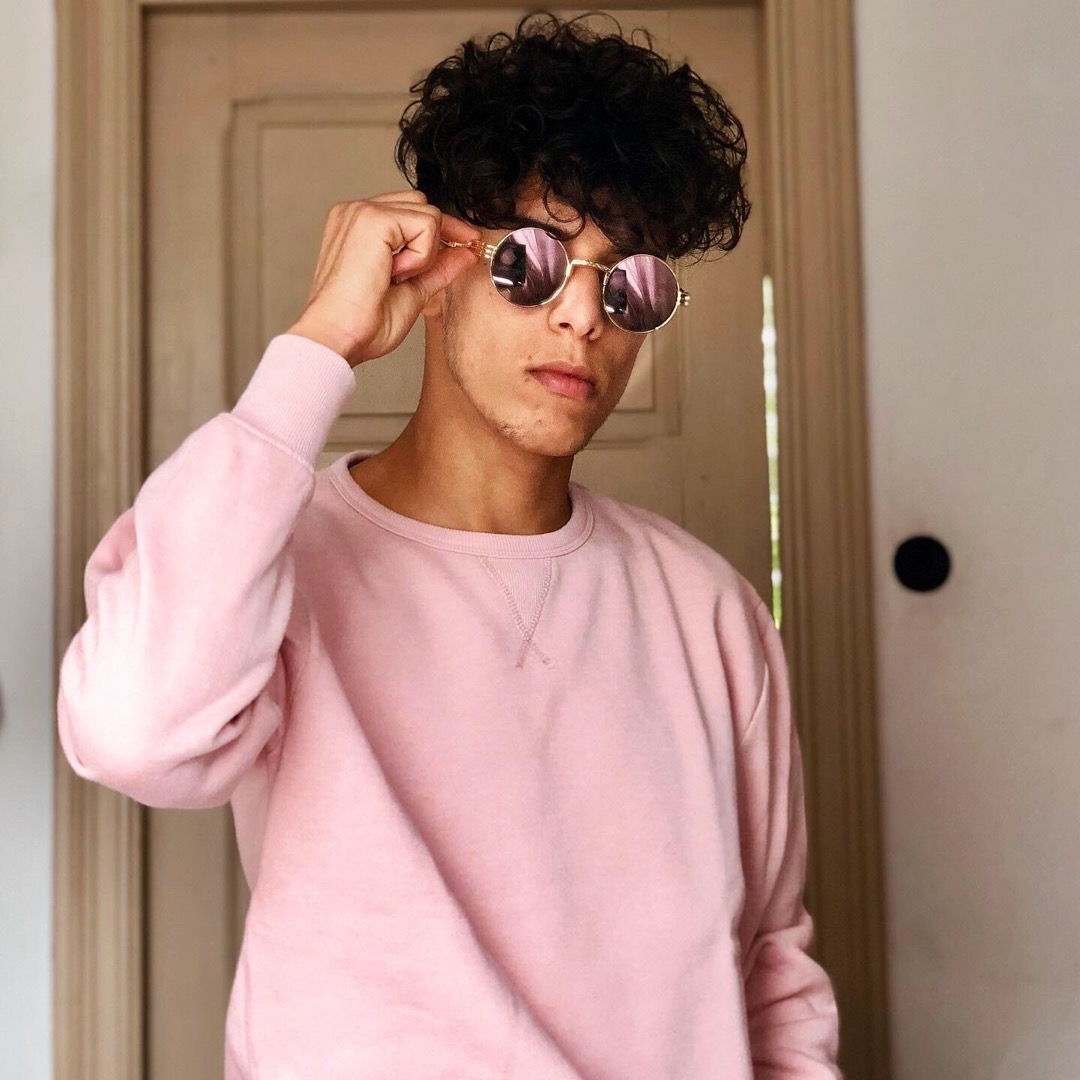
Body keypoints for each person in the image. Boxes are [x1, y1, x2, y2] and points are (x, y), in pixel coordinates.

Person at [57, 12, 841, 1079]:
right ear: (433, 271)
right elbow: (133, 734)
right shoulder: (277, 563)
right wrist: (320, 344)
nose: (584, 319)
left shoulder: (709, 610)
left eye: (630, 284)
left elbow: (772, 970)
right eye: (531, 263)